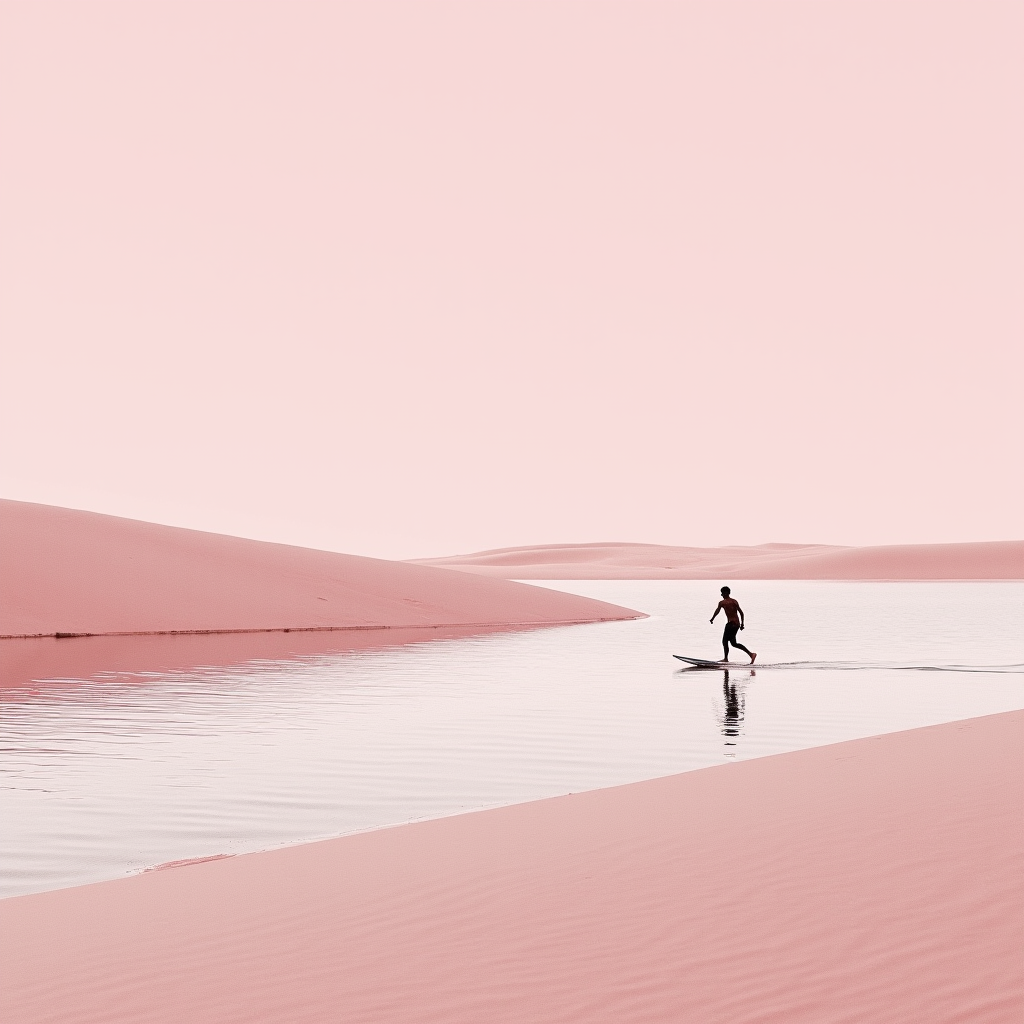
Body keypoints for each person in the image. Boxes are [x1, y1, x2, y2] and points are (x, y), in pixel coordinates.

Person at [710, 586, 756, 664]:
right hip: (736, 624)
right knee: (734, 643)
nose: (722, 595)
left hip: (731, 624)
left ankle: (725, 659)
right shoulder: (734, 601)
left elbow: (717, 611)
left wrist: (712, 619)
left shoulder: (722, 603)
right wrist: (742, 624)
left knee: (724, 641)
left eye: (723, 593)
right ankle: (751, 654)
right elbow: (741, 613)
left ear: (726, 593)